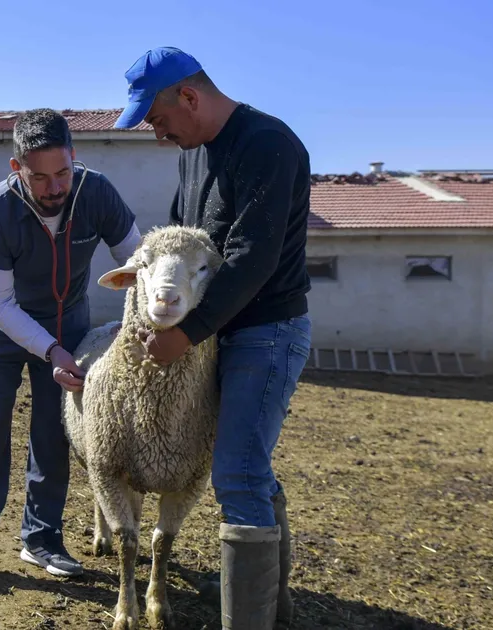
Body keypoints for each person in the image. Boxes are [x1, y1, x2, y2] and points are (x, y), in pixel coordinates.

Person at [113, 47, 313, 629]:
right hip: (221, 332)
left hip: (265, 331)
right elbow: (183, 240)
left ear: (189, 97)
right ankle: (273, 608)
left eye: (156, 118)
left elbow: (254, 257)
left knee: (238, 474)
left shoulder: (268, 145)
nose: (158, 134)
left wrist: (190, 333)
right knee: (250, 467)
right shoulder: (194, 155)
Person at [0, 108, 142, 584]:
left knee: (54, 430)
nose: (55, 187)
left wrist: (138, 323)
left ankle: (41, 538)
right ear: (17, 169)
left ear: (74, 159)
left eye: (63, 172)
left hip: (68, 321)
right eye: (40, 177)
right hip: (1, 326)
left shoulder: (96, 192)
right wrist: (50, 351)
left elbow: (138, 263)